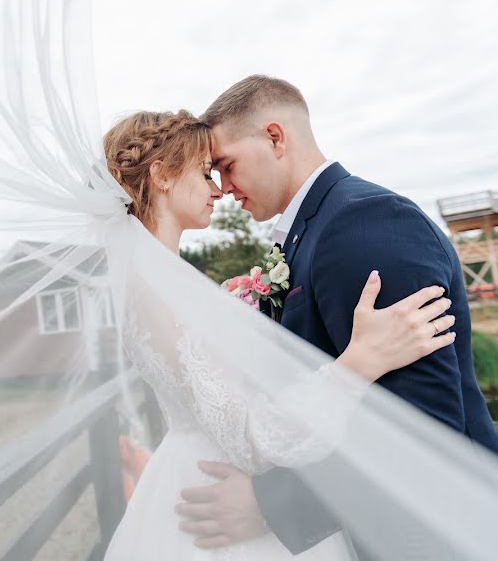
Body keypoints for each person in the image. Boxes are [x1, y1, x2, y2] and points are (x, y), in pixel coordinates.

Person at [100, 109, 456, 560]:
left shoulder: (158, 282)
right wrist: (360, 362)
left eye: (221, 171)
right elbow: (254, 437)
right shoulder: (157, 293)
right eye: (205, 173)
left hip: (207, 479)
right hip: (223, 499)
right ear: (162, 176)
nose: (218, 189)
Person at [174, 76, 498, 559]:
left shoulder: (366, 224)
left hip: (440, 532)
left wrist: (271, 504)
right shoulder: (315, 229)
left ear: (275, 137)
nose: (223, 189)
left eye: (227, 165)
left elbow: (420, 428)